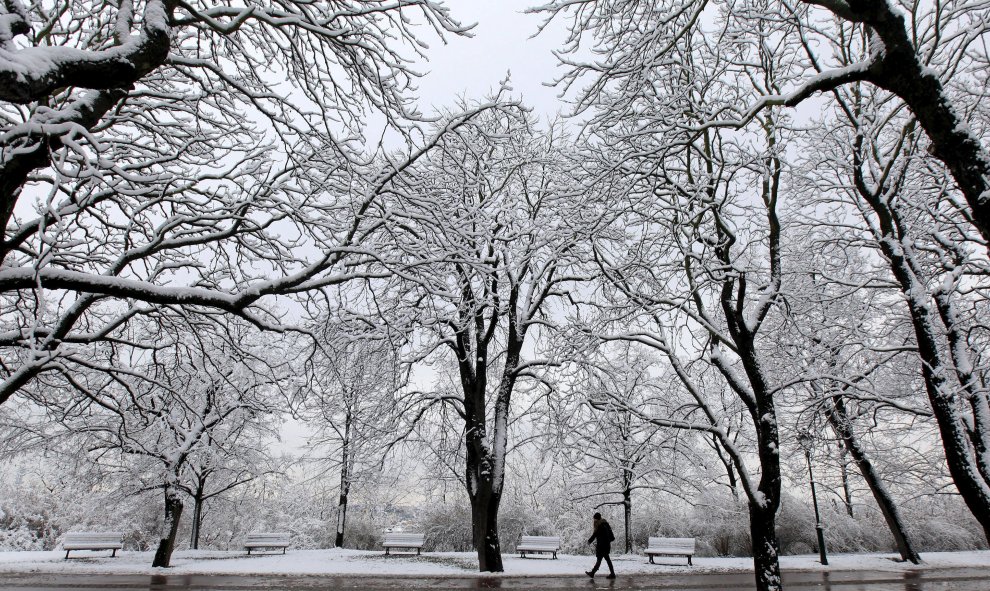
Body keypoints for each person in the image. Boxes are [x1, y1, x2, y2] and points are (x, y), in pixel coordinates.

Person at [586, 512, 616, 579]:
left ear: (597, 518)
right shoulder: (605, 524)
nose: (594, 520)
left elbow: (595, 534)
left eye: (594, 519)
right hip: (606, 545)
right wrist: (608, 541)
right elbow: (611, 535)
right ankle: (611, 573)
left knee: (600, 560)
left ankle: (593, 573)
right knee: (606, 560)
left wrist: (589, 541)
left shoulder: (600, 525)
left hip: (601, 546)